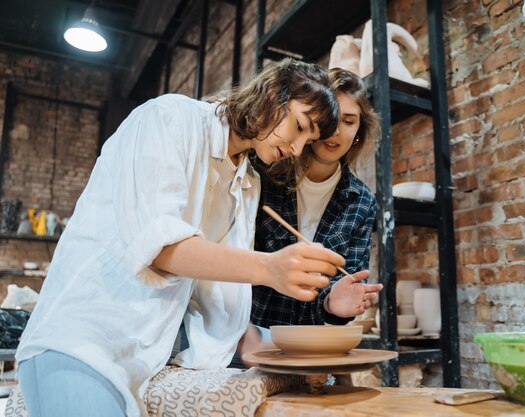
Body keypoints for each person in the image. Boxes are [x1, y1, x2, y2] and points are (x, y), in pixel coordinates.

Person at [15, 59, 344, 417]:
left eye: (307, 141)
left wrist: (294, 345)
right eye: (298, 126)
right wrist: (270, 268)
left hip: (149, 355)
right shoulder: (169, 119)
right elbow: (161, 246)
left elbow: (216, 297)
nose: (297, 149)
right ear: (270, 94)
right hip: (83, 337)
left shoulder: (248, 184)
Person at [250, 68, 383, 330]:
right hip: (242, 337)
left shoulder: (362, 202)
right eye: (331, 118)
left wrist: (333, 303)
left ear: (358, 132)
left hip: (306, 344)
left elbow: (345, 284)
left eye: (348, 121)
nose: (336, 131)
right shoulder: (263, 171)